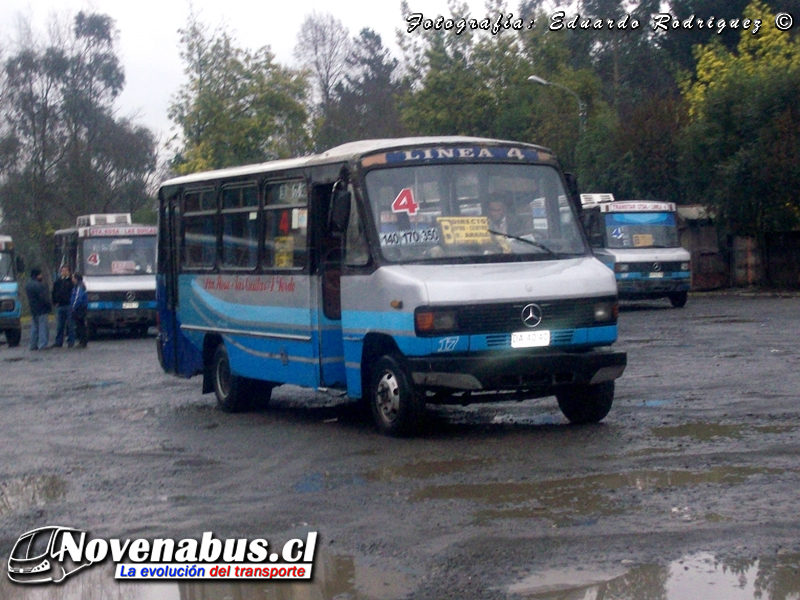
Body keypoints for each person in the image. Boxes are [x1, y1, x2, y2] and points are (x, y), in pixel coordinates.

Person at [25, 268, 52, 350]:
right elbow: (43, 298)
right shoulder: (39, 285)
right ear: (36, 275)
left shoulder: (28, 284)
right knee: (43, 328)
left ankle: (33, 345)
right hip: (41, 309)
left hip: (33, 309)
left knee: (34, 328)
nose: (41, 276)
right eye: (40, 274)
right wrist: (49, 306)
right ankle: (43, 344)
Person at [51, 265, 75, 348]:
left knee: (70, 324)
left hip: (69, 305)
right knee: (60, 325)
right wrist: (55, 302)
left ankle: (71, 341)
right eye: (62, 271)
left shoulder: (71, 282)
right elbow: (53, 292)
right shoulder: (57, 282)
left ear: (68, 272)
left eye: (65, 270)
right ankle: (58, 341)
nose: (64, 272)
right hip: (60, 305)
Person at [70, 273, 89, 348]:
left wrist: (73, 307)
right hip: (81, 308)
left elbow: (78, 298)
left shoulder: (79, 287)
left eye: (73, 278)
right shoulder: (79, 285)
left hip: (79, 308)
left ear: (76, 278)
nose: (72, 279)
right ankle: (83, 341)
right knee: (81, 325)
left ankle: (82, 341)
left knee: (80, 325)